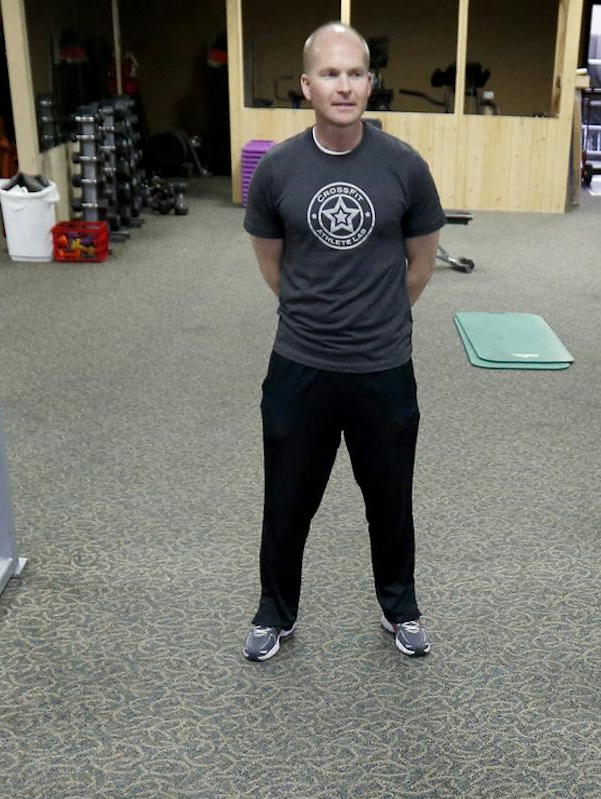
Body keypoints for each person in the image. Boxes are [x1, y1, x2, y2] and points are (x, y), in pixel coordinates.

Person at [241, 21, 447, 661]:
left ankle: (401, 608)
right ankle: (275, 612)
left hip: (383, 367)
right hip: (300, 366)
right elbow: (273, 264)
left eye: (356, 72)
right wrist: (316, 317)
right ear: (307, 85)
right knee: (287, 501)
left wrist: (377, 319)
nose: (345, 85)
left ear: (369, 82)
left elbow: (421, 262)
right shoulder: (277, 169)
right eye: (330, 73)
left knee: (390, 501)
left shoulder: (405, 166)